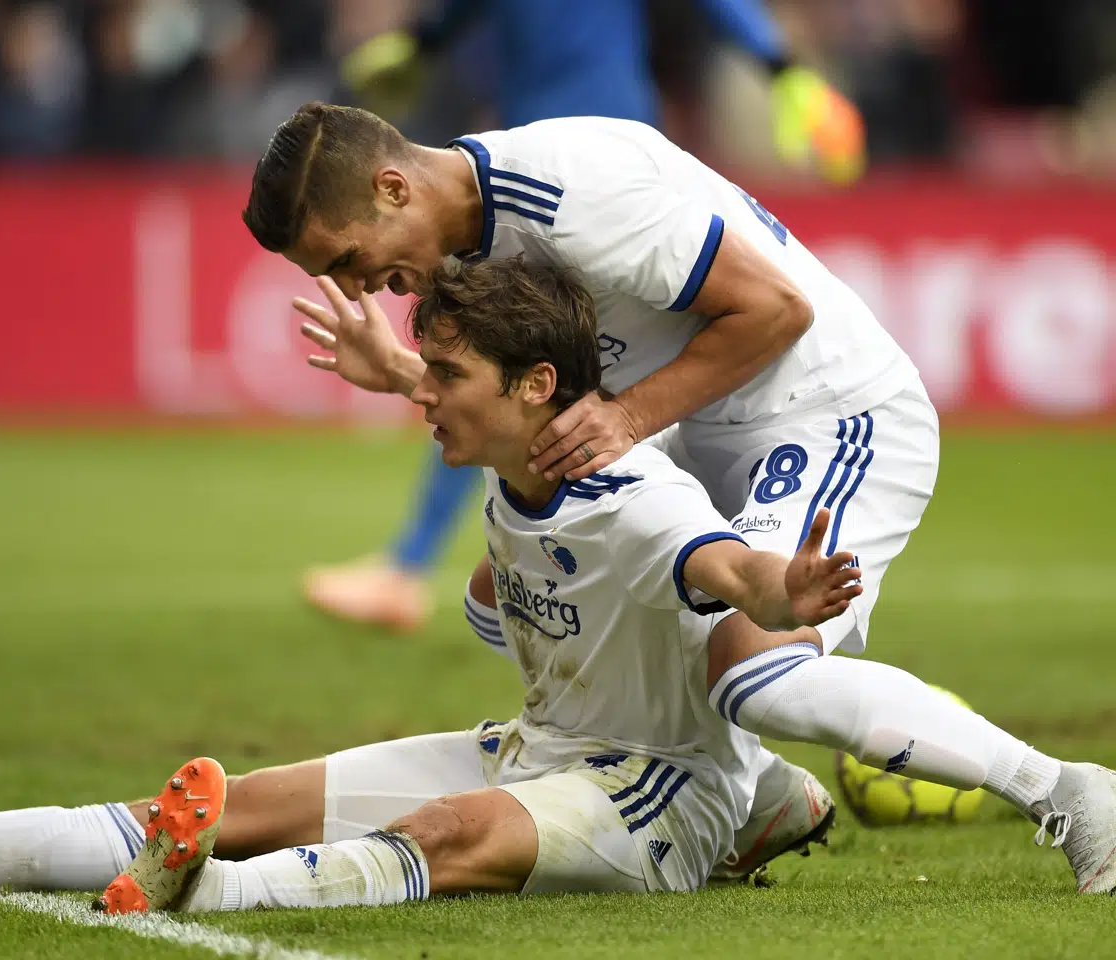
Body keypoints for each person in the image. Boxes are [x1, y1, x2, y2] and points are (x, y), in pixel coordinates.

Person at [0, 261, 1114, 907]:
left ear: (530, 388)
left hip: (651, 795)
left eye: (443, 379)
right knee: (221, 803)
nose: (422, 401)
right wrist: (412, 376)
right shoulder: (513, 462)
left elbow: (715, 563)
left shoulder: (642, 500)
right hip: (544, 748)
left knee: (450, 834)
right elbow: (499, 572)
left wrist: (782, 584)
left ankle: (201, 901)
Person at [243, 105, 1116, 891]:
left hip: (821, 415)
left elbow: (777, 308)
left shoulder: (570, 191)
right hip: (692, 431)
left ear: (393, 187)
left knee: (756, 675)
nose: (359, 288)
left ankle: (1070, 792)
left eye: (350, 260)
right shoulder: (466, 241)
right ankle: (758, 792)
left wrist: (624, 419)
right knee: (504, 607)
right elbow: (517, 399)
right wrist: (406, 375)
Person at [306, 0, 864, 636]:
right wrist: (423, 44)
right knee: (516, 371)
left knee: (509, 368)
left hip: (585, 158)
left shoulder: (575, 186)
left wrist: (781, 64)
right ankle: (505, 566)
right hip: (519, 157)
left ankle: (416, 567)